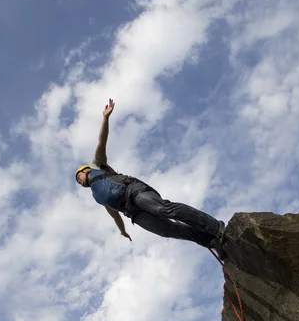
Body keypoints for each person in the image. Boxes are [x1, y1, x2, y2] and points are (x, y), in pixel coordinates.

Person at [75, 98, 226, 257]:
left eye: (79, 175)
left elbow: (101, 143)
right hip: (132, 212)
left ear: (85, 170)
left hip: (132, 191)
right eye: (77, 181)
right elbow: (114, 214)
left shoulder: (97, 165)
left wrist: (105, 118)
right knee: (165, 230)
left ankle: (215, 227)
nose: (79, 180)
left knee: (163, 209)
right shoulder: (97, 195)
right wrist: (123, 231)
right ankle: (210, 241)